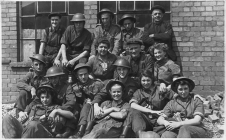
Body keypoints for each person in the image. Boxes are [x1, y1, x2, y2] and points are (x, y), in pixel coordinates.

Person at [83, 58, 140, 136]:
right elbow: (100, 95)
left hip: (124, 107)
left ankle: (123, 135)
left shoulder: (134, 84)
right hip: (111, 105)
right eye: (119, 69)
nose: (122, 72)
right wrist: (96, 106)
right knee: (93, 105)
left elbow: (138, 95)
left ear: (128, 70)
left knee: (131, 110)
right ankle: (87, 131)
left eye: (124, 69)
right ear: (116, 70)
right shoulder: (111, 82)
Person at [3, 84, 74, 138]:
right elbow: (29, 121)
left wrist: (56, 111)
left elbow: (71, 115)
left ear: (52, 97)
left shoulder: (55, 107)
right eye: (42, 97)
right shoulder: (35, 107)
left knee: (34, 124)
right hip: (29, 131)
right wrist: (23, 117)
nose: (45, 100)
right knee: (7, 118)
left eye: (47, 97)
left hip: (45, 133)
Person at [120, 69, 175, 138]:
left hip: (160, 120)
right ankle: (140, 135)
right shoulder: (139, 92)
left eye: (148, 80)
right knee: (133, 111)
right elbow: (133, 105)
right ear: (140, 81)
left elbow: (176, 96)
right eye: (143, 80)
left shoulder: (160, 89)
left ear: (152, 80)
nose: (146, 83)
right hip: (146, 121)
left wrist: (192, 96)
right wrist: (151, 111)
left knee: (170, 128)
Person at [69, 63, 104, 138]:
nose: (83, 77)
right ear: (77, 76)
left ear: (89, 73)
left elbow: (104, 95)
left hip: (97, 108)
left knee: (87, 105)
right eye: (80, 75)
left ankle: (80, 132)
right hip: (82, 109)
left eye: (85, 74)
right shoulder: (75, 87)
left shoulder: (97, 84)